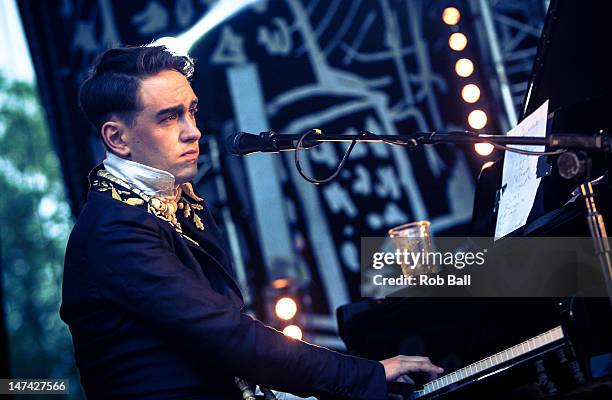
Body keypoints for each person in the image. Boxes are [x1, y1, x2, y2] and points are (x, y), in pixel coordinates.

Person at [61, 45, 443, 400]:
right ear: (117, 138)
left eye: (191, 110)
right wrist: (365, 375)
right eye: (169, 117)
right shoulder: (114, 232)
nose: (192, 129)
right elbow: (227, 335)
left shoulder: (171, 200)